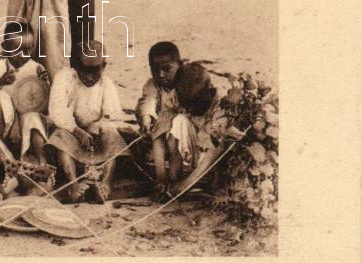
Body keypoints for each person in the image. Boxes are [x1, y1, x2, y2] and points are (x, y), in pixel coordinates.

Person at [46, 41, 126, 203]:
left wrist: (98, 125)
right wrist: (76, 130)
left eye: (95, 72)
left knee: (113, 136)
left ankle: (105, 182)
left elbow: (114, 115)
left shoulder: (106, 83)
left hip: (95, 136)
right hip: (71, 133)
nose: (90, 77)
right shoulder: (65, 78)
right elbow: (57, 110)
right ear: (75, 65)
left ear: (104, 66)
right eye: (85, 71)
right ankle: (72, 183)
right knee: (60, 137)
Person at [0, 21, 50, 164]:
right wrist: (0, 82)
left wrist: (44, 85)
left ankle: (41, 160)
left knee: (33, 116)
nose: (22, 55)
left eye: (27, 50)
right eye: (16, 49)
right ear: (5, 47)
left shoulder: (36, 68)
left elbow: (45, 106)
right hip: (3, 122)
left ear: (33, 47)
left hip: (24, 121)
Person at [165, 63, 244, 196]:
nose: (190, 109)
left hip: (214, 153)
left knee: (225, 141)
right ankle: (174, 177)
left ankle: (216, 181)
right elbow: (165, 123)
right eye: (187, 105)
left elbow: (215, 150)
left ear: (210, 91)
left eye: (194, 105)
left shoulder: (222, 106)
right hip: (194, 146)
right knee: (178, 121)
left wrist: (186, 184)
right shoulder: (177, 96)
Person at [135, 41, 183, 201]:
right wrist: (146, 118)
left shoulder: (186, 81)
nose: (161, 74)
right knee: (157, 139)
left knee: (172, 141)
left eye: (167, 69)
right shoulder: (152, 84)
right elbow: (147, 101)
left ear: (179, 65)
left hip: (182, 126)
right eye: (155, 70)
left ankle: (174, 180)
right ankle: (161, 178)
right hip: (162, 123)